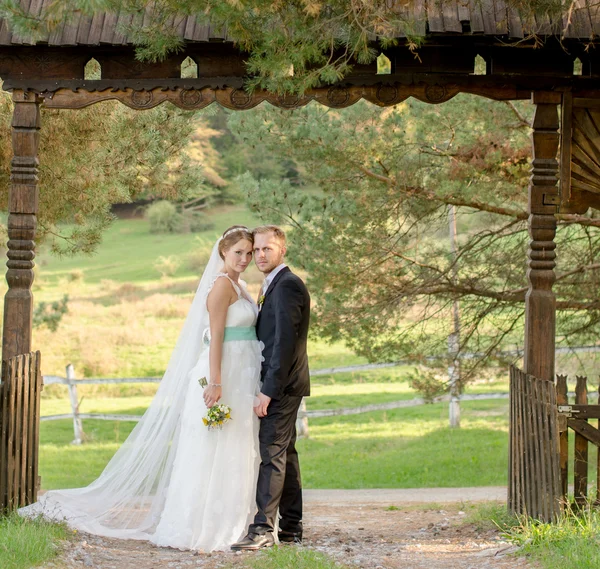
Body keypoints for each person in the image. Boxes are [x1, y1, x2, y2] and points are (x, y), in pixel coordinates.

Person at [20, 226, 263, 552]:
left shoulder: (241, 285)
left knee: (235, 445)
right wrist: (216, 383)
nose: (245, 259)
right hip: (223, 376)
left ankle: (235, 523)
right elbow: (215, 336)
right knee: (216, 446)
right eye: (239, 253)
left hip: (241, 373)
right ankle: (204, 529)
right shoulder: (221, 286)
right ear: (223, 252)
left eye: (249, 253)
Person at [232, 225, 311, 551]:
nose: (260, 255)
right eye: (257, 250)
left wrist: (268, 389)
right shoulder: (274, 284)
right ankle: (291, 528)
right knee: (285, 456)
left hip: (281, 385)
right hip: (284, 384)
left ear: (282, 250)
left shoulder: (288, 286)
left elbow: (284, 345)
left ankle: (263, 529)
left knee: (272, 455)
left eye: (267, 249)